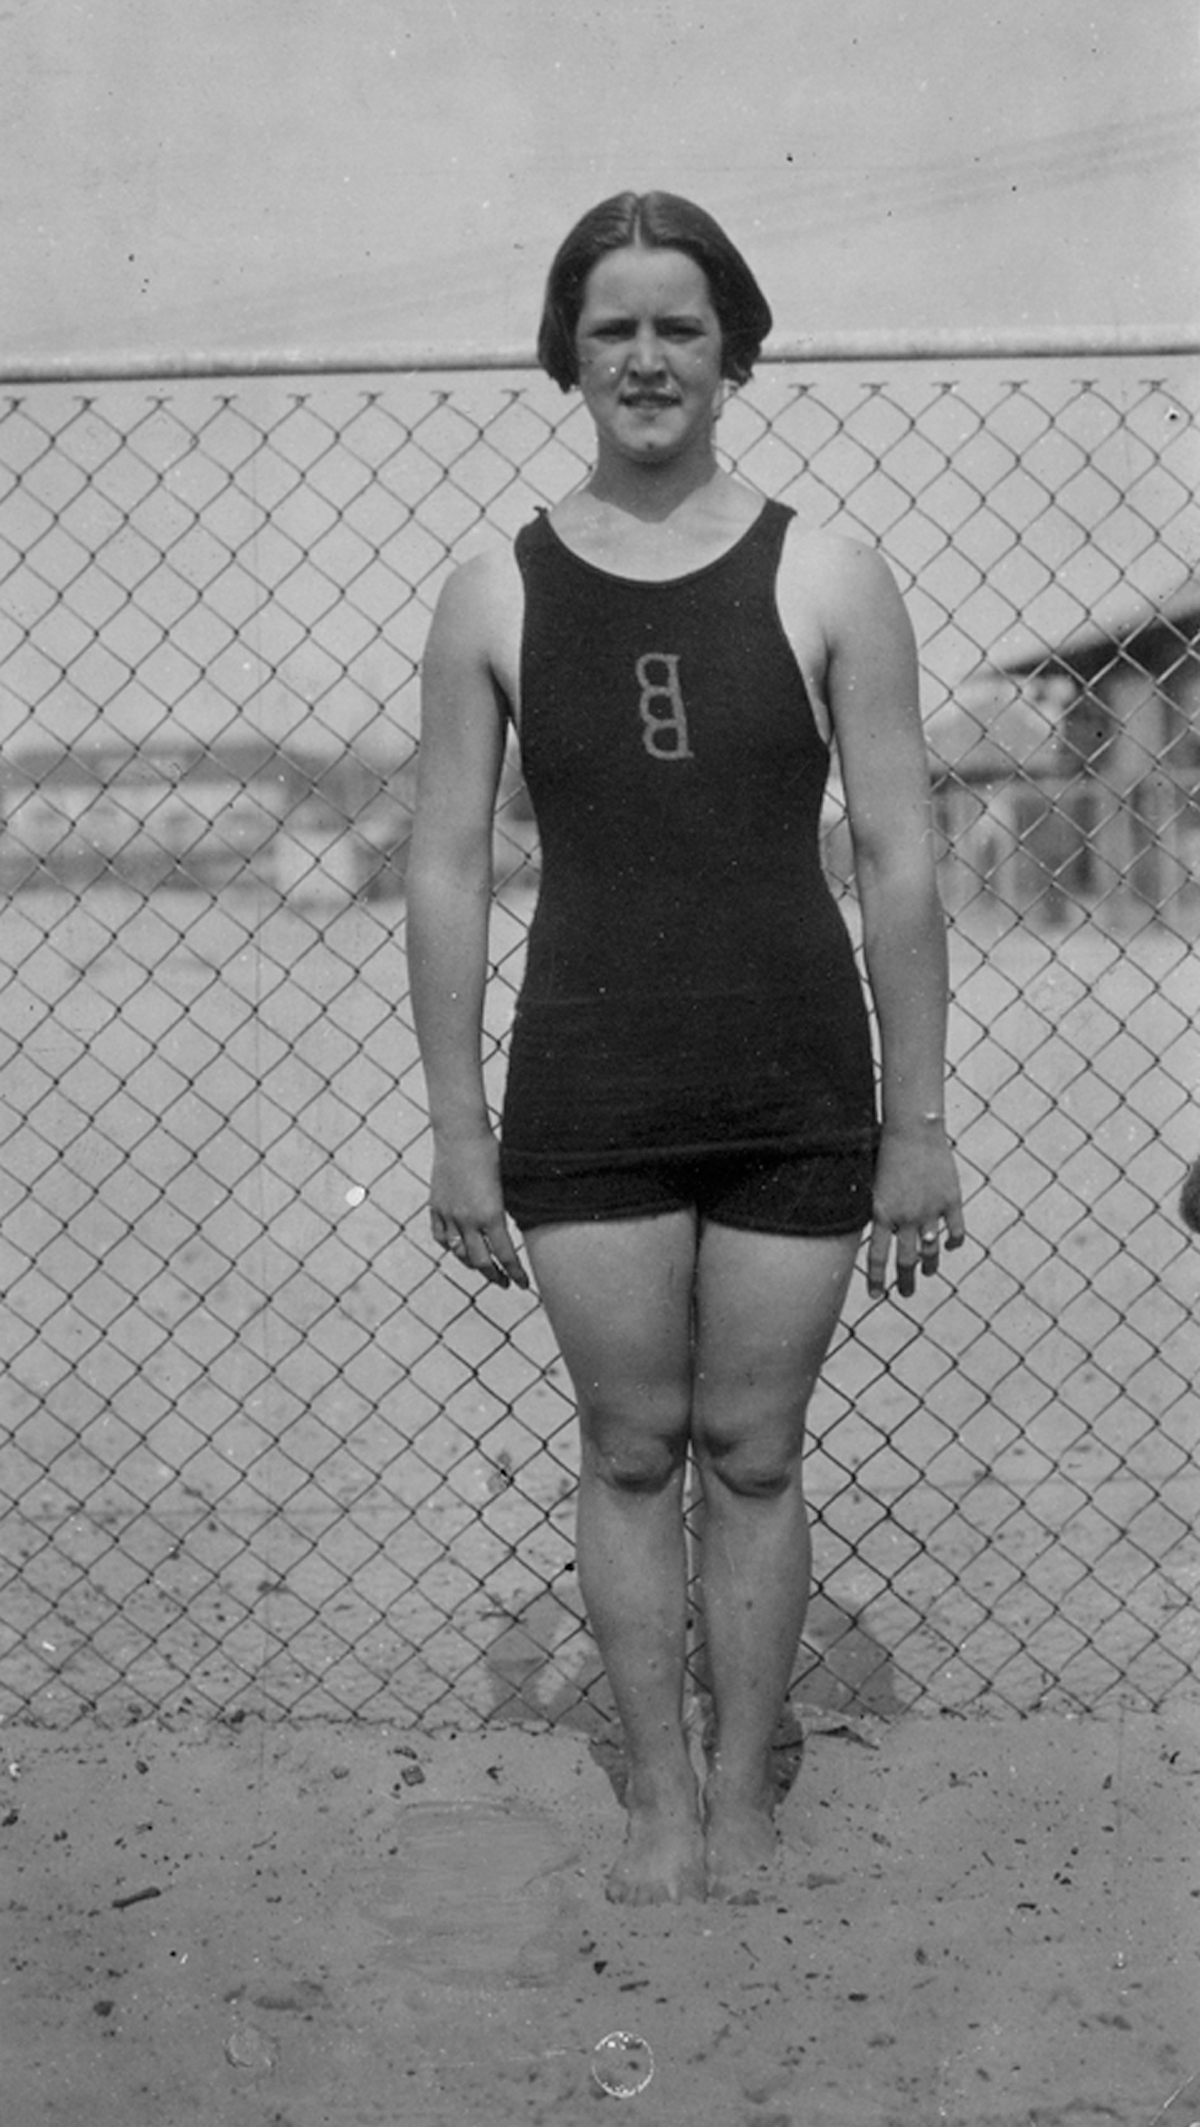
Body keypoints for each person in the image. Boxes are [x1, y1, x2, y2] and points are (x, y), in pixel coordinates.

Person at [406, 190, 964, 1906]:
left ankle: (742, 1792)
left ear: (735, 347)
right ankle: (653, 1795)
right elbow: (440, 861)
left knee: (758, 1448)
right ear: (566, 351)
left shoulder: (827, 571)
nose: (646, 357)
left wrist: (918, 1123)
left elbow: (899, 855)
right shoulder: (495, 582)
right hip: (589, 1080)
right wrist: (456, 1127)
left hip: (797, 1074)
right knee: (631, 1442)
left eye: (679, 324)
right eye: (613, 325)